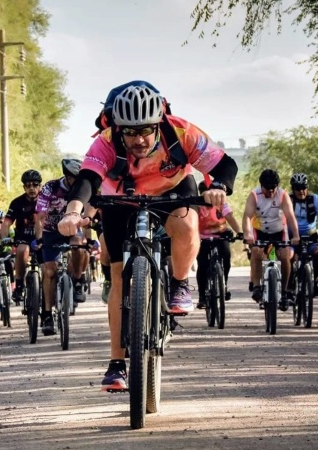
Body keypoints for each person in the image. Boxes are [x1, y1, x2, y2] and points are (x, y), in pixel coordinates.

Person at [57, 81, 238, 391]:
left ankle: (180, 283)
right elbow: (87, 180)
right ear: (117, 127)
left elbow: (225, 164)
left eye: (145, 131)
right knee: (117, 276)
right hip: (121, 197)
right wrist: (73, 211)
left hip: (172, 190)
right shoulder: (105, 141)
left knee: (185, 223)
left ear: (159, 123)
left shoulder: (182, 132)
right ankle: (116, 363)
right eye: (129, 132)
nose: (138, 140)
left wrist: (219, 188)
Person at [33, 159, 90, 336]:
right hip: (50, 231)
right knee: (49, 272)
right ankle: (48, 314)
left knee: (79, 246)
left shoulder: (81, 188)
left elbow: (87, 215)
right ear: (67, 176)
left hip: (72, 229)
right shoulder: (50, 188)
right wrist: (39, 238)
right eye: (74, 178)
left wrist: (88, 239)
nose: (77, 182)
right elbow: (40, 216)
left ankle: (78, 280)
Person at [242, 169, 300, 312]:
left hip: (279, 230)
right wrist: (248, 235)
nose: (271, 192)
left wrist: (296, 236)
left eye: (273, 189)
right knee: (256, 251)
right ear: (261, 186)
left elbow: (291, 217)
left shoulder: (282, 195)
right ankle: (256, 287)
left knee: (284, 256)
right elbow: (247, 217)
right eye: (267, 190)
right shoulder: (254, 195)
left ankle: (285, 291)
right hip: (259, 231)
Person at [196, 180, 243, 309]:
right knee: (202, 264)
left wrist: (239, 232)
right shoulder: (198, 204)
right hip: (203, 238)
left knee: (226, 256)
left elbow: (230, 217)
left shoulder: (222, 203)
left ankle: (224, 284)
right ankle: (202, 297)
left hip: (221, 235)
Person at [289, 173, 318, 298]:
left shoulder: (315, 199)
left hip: (311, 235)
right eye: (298, 188)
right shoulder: (288, 200)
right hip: (292, 236)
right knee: (290, 256)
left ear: (307, 188)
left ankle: (313, 280)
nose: (301, 191)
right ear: (293, 189)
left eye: (304, 187)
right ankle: (290, 284)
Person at [1, 170, 42, 302]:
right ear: (24, 187)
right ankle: (19, 286)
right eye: (28, 185)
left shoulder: (46, 200)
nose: (31, 188)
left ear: (40, 186)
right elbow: (6, 222)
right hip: (23, 237)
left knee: (49, 266)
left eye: (35, 185)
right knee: (22, 250)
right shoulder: (17, 202)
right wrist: (4, 238)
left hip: (41, 237)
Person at [0, 210, 15, 294]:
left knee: (9, 263)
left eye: (1, 223)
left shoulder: (10, 231)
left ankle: (13, 284)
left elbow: (15, 241)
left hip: (7, 253)